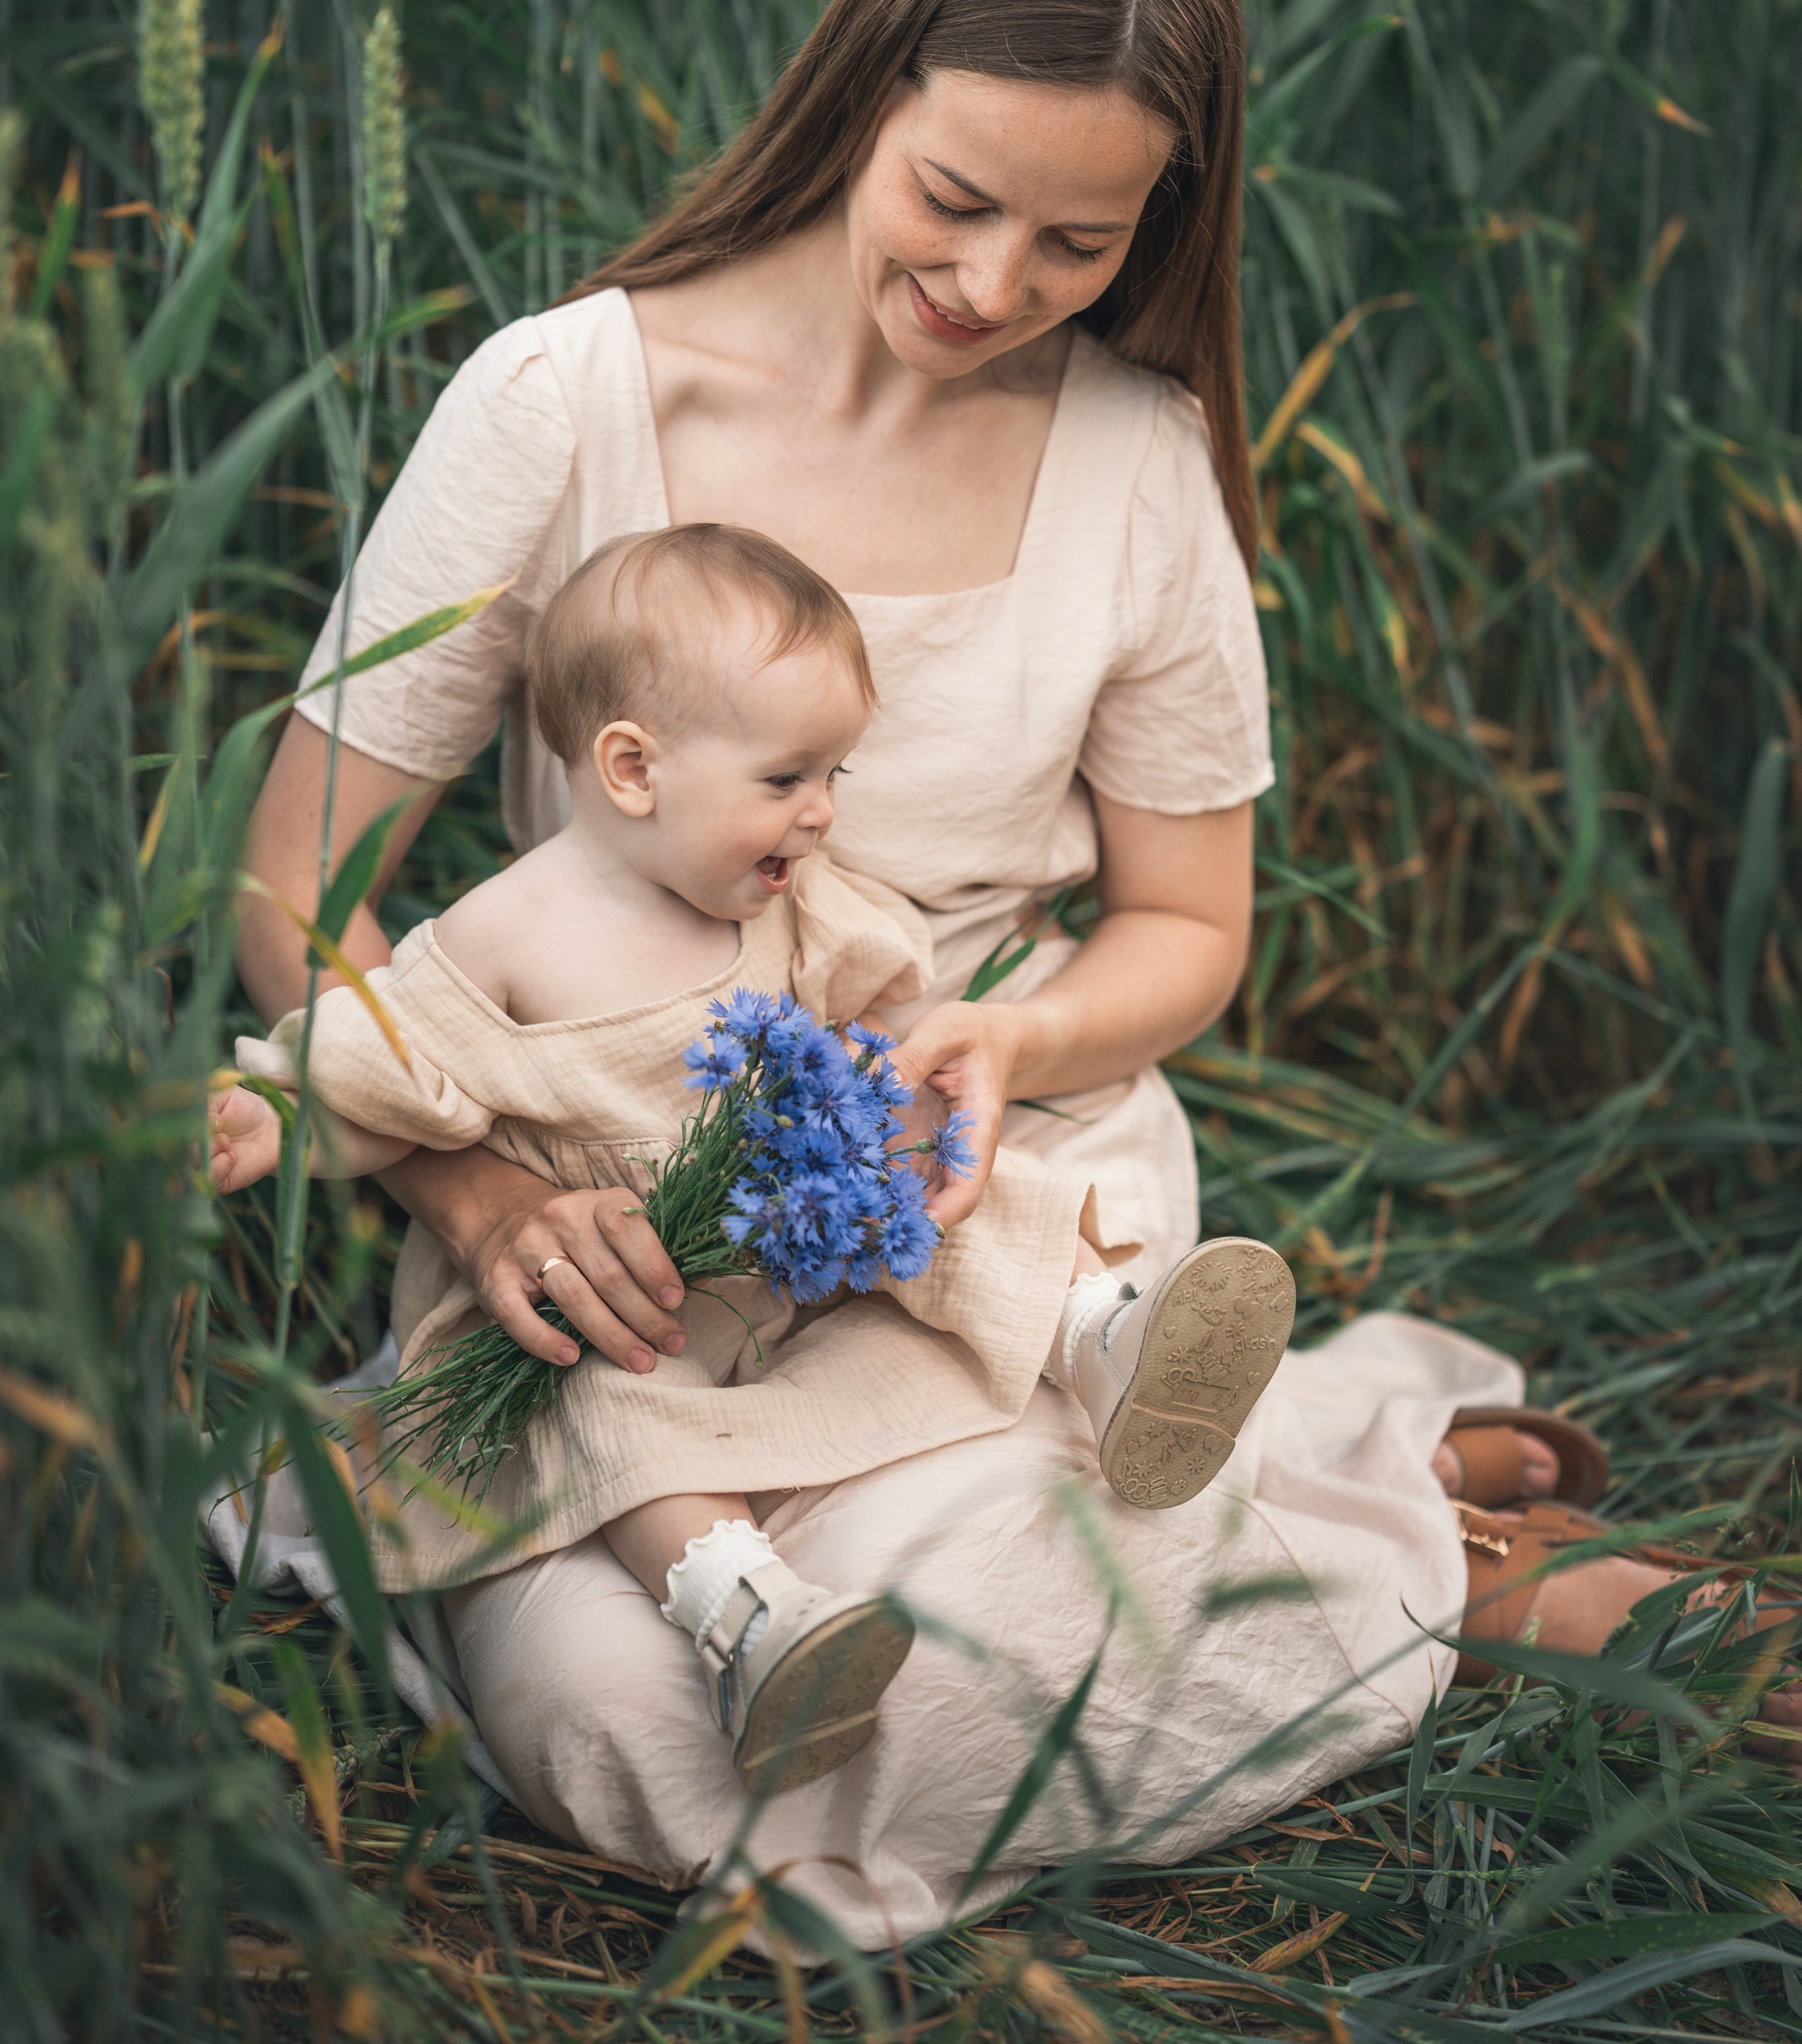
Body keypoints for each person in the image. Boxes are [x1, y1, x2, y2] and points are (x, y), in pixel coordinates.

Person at [220, 0, 1786, 1939]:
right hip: (618, 1255)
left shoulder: (1135, 459)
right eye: (954, 200)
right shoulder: (565, 401)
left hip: (981, 1211)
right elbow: (296, 895)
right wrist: (490, 1201)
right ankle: (1339, 1490)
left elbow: (1189, 929)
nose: (990, 283)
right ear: (865, 89)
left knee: (951, 1690)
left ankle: (1436, 1565)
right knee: (635, 1742)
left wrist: (1008, 1034)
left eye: (1079, 237)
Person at [218, 522, 1295, 1795]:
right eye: (792, 778)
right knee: (603, 1410)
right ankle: (751, 1618)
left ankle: (1105, 1343)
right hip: (627, 1285)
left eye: (836, 771)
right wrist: (272, 1120)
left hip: (785, 1231)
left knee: (943, 1188)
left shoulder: (778, 890)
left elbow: (867, 989)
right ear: (633, 769)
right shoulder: (505, 938)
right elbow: (383, 1072)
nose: (826, 811)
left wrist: (887, 1083)